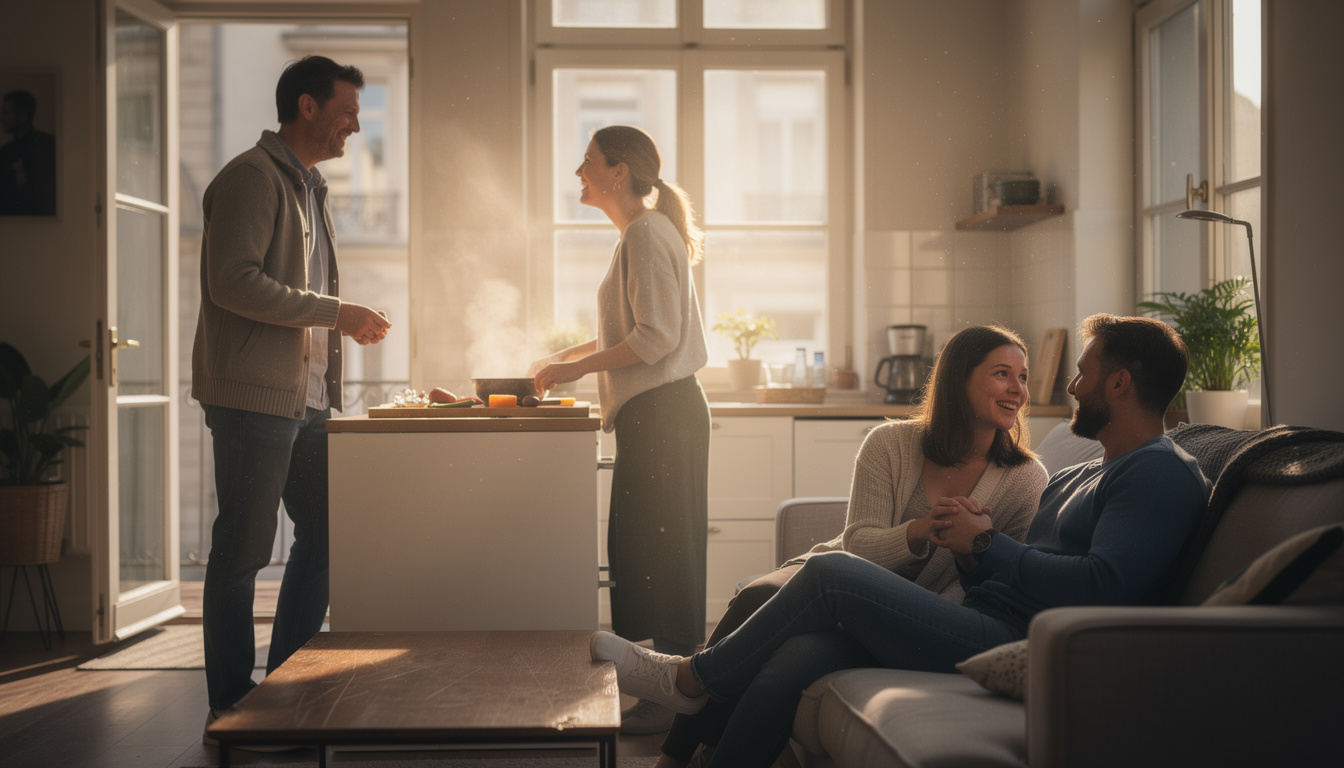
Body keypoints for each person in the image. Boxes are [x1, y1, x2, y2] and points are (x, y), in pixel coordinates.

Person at [592, 314, 1212, 768]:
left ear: (1121, 385)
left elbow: (1104, 588)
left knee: (830, 576)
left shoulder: (1157, 473)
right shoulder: (1089, 470)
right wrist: (972, 551)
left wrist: (986, 544)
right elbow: (1012, 571)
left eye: (1083, 373)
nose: (1068, 387)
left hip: (1015, 644)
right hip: (982, 618)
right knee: (797, 656)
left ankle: (690, 681)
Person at [655, 324, 1050, 766]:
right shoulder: (889, 443)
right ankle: (675, 756)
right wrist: (920, 530)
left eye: (1023, 377)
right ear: (959, 380)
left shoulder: (1026, 480)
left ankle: (688, 689)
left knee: (795, 652)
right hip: (852, 584)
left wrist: (967, 549)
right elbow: (858, 544)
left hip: (921, 620)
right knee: (758, 596)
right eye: (1002, 374)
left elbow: (999, 589)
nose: (1018, 389)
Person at [191, 55, 392, 745]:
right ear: (306, 108)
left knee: (331, 532)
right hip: (254, 401)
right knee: (242, 552)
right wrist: (338, 313)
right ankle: (231, 704)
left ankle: (286, 686)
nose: (356, 126)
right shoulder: (251, 179)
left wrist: (334, 343)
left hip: (305, 402)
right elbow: (233, 283)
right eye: (347, 113)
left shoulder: (310, 187)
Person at [528, 125, 710, 735]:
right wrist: (560, 361)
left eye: (588, 163)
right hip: (657, 415)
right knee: (645, 552)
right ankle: (661, 690)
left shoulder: (646, 232)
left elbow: (655, 340)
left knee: (657, 555)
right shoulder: (642, 233)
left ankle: (668, 698)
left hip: (664, 415)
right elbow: (631, 333)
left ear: (620, 173)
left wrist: (575, 367)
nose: (579, 173)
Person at [0, 89, 57, 215]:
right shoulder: (5, 153)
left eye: (6, 113)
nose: (2, 118)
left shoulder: (47, 146)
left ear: (23, 116)